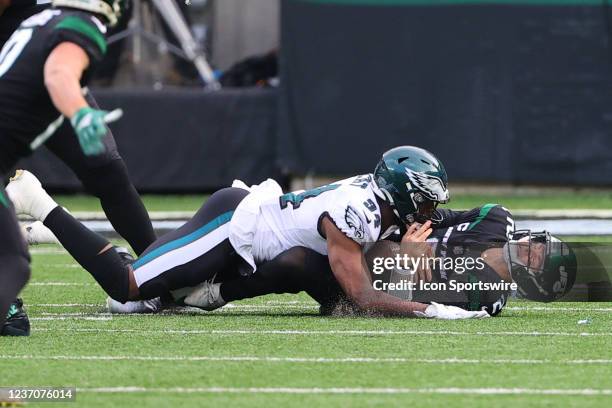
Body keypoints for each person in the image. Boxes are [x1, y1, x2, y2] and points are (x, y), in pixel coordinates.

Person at [7, 146, 491, 320]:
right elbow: (363, 297)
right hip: (234, 225)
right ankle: (37, 200)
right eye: (425, 198)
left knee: (161, 298)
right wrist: (429, 308)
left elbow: (361, 274)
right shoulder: (358, 210)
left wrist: (408, 263)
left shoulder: (382, 206)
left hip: (257, 249)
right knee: (127, 288)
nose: (429, 209)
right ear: (401, 191)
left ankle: (187, 288)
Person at [0, 0, 156, 336]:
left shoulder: (60, 20)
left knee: (105, 166)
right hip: (43, 64)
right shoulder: (83, 25)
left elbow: (58, 74)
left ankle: (160, 267)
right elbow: (58, 75)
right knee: (11, 263)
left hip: (46, 59)